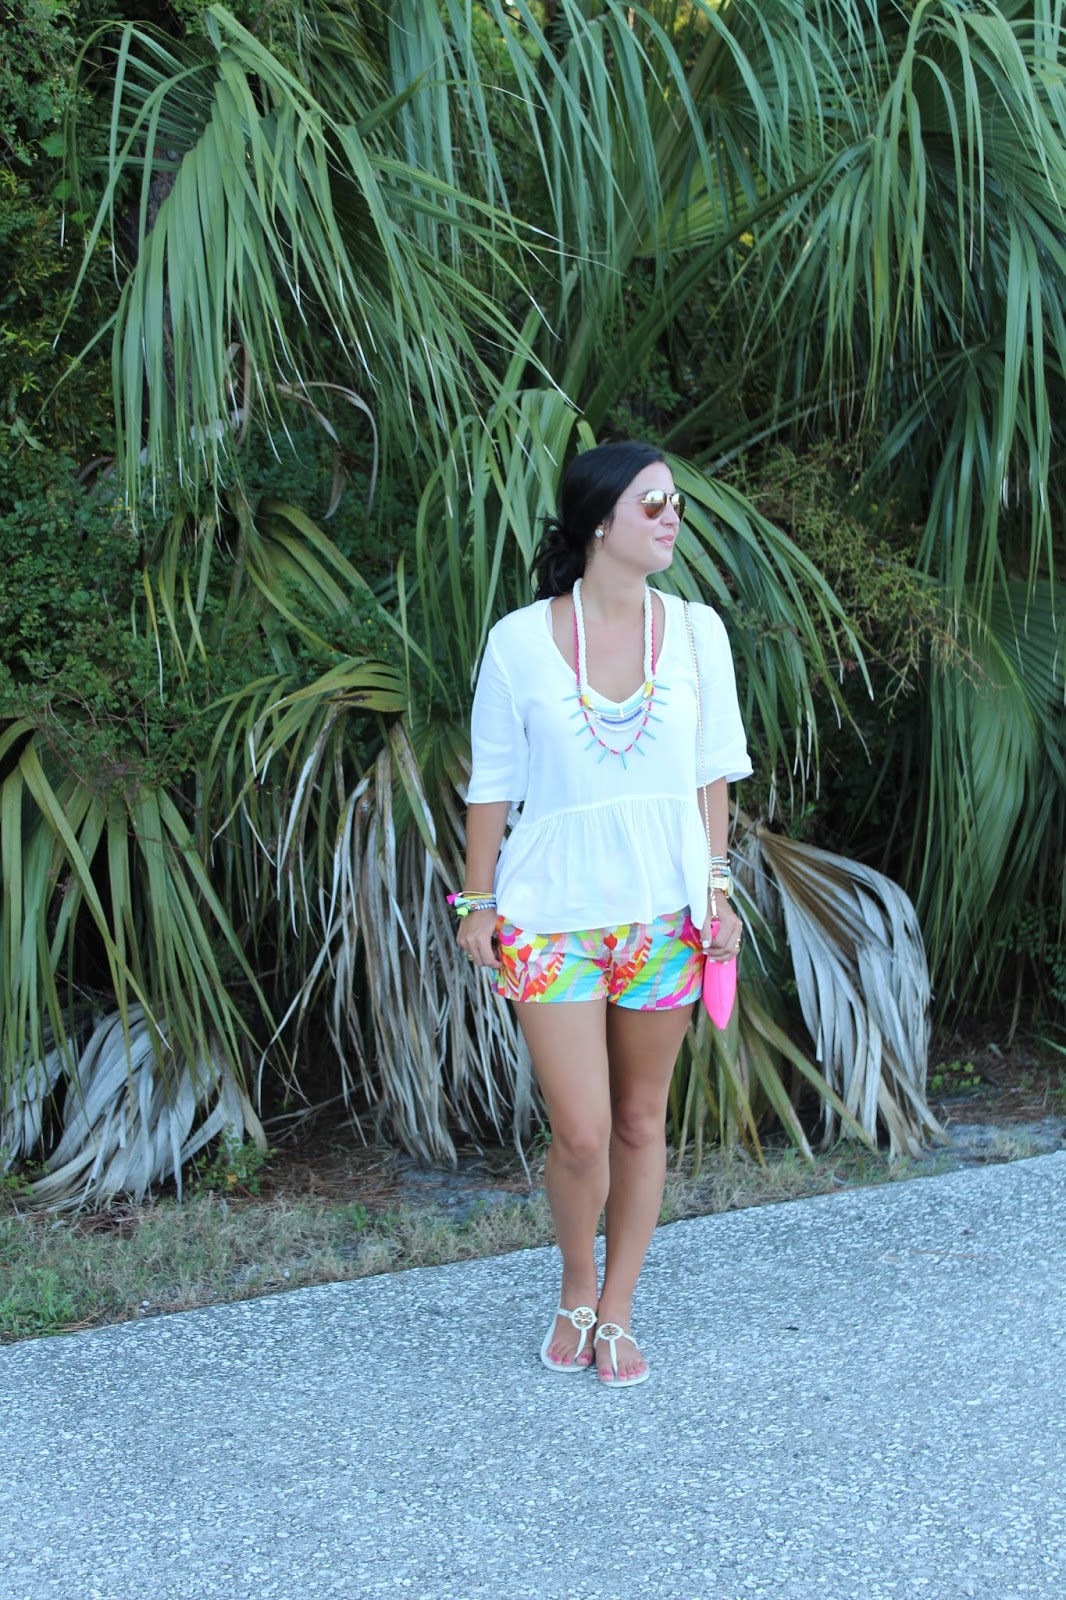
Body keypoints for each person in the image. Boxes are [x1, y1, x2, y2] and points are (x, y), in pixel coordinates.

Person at [451, 440, 752, 1387]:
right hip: (550, 919)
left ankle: (618, 1309)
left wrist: (718, 895)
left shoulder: (697, 632)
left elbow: (714, 773)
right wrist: (477, 902)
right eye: (652, 502)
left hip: (666, 916)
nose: (672, 517)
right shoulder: (518, 641)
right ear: (598, 521)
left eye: (676, 503)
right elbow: (492, 784)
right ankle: (576, 1286)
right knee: (580, 1131)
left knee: (638, 1120)